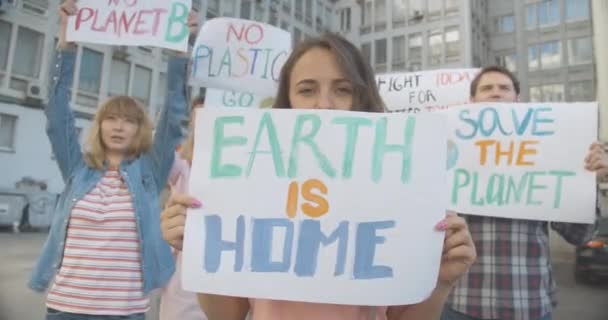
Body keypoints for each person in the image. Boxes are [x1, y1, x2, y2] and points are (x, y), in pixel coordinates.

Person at [160, 32, 477, 320]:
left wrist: (440, 283)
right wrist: (199, 250)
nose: (324, 104)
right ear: (288, 102)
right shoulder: (249, 186)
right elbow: (227, 314)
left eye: (342, 89)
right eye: (307, 90)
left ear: (362, 98)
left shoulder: (401, 189)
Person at [28, 1, 197, 319]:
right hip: (66, 308)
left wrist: (180, 51)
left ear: (140, 129)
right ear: (100, 125)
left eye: (129, 120)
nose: (119, 126)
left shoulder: (150, 172)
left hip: (126, 312)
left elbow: (175, 114)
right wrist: (66, 42)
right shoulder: (78, 170)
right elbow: (57, 113)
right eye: (111, 118)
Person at [441, 66, 606, 320]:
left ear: (518, 101)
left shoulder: (549, 153)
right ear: (471, 103)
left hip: (530, 304)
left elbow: (579, 235)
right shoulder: (447, 153)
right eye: (487, 88)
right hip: (460, 304)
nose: (496, 93)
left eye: (504, 88)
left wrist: (587, 181)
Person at [159, 97, 208, 320]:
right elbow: (161, 152)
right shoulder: (182, 163)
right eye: (199, 116)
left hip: (227, 271)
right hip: (184, 272)